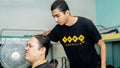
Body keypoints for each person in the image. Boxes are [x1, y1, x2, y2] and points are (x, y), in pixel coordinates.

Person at [44, 0, 107, 68]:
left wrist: (103, 66)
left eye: (57, 16)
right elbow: (45, 38)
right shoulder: (58, 29)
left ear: (67, 12)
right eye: (54, 17)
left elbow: (102, 45)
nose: (56, 20)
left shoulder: (86, 24)